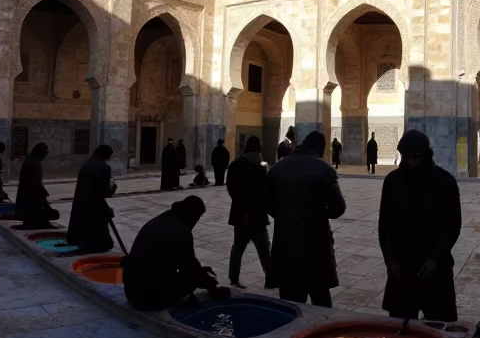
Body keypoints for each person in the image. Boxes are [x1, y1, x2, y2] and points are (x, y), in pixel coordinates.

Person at [378, 130, 461, 321]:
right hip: (402, 267)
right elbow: (385, 226)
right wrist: (390, 260)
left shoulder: (445, 182)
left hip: (435, 268)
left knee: (441, 329)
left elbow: (452, 225)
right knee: (401, 334)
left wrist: (434, 258)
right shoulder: (393, 181)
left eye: (415, 157)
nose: (410, 162)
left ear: (426, 155)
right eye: (406, 157)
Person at [268, 131, 346, 306]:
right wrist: (315, 213)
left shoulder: (278, 167)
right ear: (321, 147)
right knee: (320, 300)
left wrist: (287, 215)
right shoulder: (323, 169)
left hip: (285, 243)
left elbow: (268, 204)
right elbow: (338, 209)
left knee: (290, 304)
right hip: (315, 244)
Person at [122, 196, 229, 311]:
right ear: (193, 216)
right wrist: (212, 285)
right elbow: (190, 268)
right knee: (191, 280)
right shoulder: (180, 231)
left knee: (191, 272)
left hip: (131, 289)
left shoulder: (164, 218)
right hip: (147, 298)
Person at [227, 136, 272, 289]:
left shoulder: (235, 165)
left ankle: (233, 278)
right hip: (257, 215)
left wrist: (242, 207)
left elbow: (231, 189)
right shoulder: (260, 168)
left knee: (238, 248)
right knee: (264, 248)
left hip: (241, 214)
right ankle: (270, 278)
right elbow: (266, 192)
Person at [65, 145, 118, 254]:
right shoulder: (104, 167)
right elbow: (103, 191)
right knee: (101, 237)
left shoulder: (87, 164)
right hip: (96, 205)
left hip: (82, 204)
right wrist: (113, 188)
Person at [15, 143, 56, 229]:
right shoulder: (34, 162)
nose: (45, 156)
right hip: (32, 195)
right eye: (45, 153)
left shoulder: (30, 159)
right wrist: (43, 197)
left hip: (28, 194)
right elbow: (36, 182)